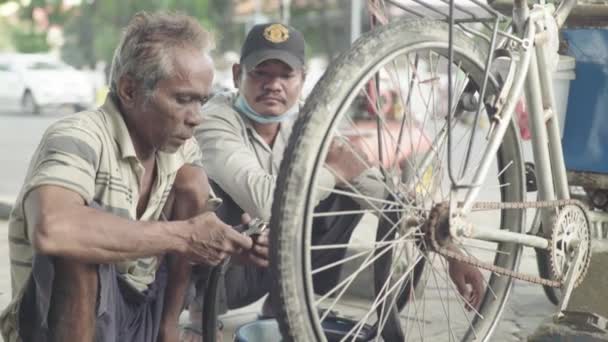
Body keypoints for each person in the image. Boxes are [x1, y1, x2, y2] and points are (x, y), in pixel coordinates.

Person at [183, 22, 486, 340]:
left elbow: (382, 194)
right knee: (212, 190)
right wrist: (333, 171)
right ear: (236, 75)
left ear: (302, 79)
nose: (273, 85)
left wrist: (450, 246)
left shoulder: (313, 121)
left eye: (285, 75)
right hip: (227, 268)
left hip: (278, 260)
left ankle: (282, 307)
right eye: (261, 73)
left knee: (346, 192)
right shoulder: (216, 118)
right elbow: (264, 201)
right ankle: (202, 316)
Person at [0, 12, 264, 342]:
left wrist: (233, 244)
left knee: (194, 187)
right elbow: (53, 230)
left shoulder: (180, 148)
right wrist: (184, 236)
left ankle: (168, 331)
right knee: (78, 246)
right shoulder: (78, 135)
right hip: (62, 325)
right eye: (183, 99)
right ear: (129, 89)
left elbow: (193, 228)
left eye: (202, 101)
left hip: (140, 312)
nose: (197, 118)